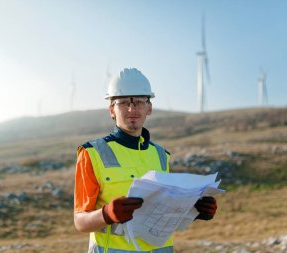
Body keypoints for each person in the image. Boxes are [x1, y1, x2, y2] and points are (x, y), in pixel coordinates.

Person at [74, 68, 218, 253]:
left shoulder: (160, 155)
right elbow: (80, 222)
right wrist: (106, 214)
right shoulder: (92, 153)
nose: (132, 109)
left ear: (149, 107)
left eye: (139, 102)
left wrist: (196, 210)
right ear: (112, 109)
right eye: (123, 102)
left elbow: (164, 210)